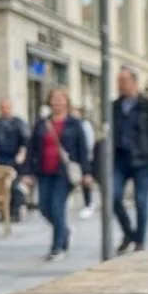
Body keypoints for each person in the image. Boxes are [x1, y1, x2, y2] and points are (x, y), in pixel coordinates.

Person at [23, 88, 92, 261]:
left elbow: (83, 149)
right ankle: (64, 231)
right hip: (44, 171)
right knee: (44, 207)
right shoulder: (41, 123)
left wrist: (87, 172)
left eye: (61, 99)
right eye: (54, 98)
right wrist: (27, 172)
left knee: (57, 206)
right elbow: (32, 149)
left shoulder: (75, 123)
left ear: (67, 102)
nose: (57, 102)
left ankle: (57, 247)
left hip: (64, 173)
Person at [111, 67, 148, 254]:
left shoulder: (146, 105)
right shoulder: (115, 106)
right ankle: (129, 233)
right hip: (119, 159)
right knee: (113, 196)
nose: (120, 85)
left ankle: (139, 241)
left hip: (142, 160)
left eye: (124, 81)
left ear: (134, 83)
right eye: (118, 81)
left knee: (141, 202)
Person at [0, 98, 29, 222]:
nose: (4, 110)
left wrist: (22, 154)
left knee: (14, 186)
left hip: (14, 159)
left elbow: (25, 140)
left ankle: (15, 211)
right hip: (1, 158)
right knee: (2, 187)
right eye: (2, 107)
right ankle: (4, 212)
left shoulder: (18, 122)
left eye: (6, 107)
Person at [73, 107, 96, 219]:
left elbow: (89, 142)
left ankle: (89, 202)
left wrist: (88, 157)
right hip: (73, 160)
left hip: (84, 158)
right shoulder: (71, 125)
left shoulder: (85, 125)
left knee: (85, 181)